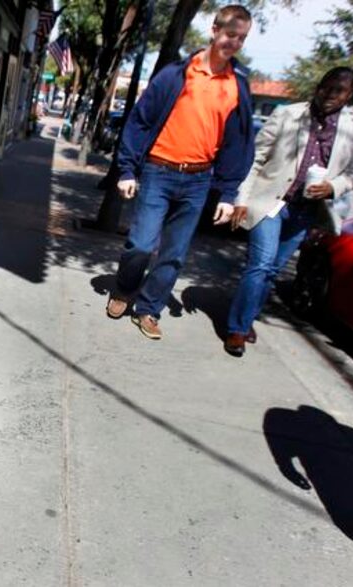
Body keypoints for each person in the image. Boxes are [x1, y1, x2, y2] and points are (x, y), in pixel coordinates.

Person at [105, 4, 256, 340]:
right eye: (230, 34)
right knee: (141, 245)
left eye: (242, 39)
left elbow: (240, 142)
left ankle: (148, 309)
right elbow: (140, 120)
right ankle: (124, 288)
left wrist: (229, 193)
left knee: (174, 254)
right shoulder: (176, 73)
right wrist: (128, 170)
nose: (234, 43)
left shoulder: (238, 84)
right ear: (215, 30)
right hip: (159, 170)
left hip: (198, 180)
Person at [220, 67, 353, 357]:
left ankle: (247, 317)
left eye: (339, 90)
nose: (330, 94)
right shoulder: (288, 114)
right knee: (261, 264)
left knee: (273, 269)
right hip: (271, 202)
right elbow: (257, 157)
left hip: (307, 211)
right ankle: (237, 329)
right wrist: (241, 198)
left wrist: (332, 186)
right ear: (319, 86)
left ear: (348, 95)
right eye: (327, 87)